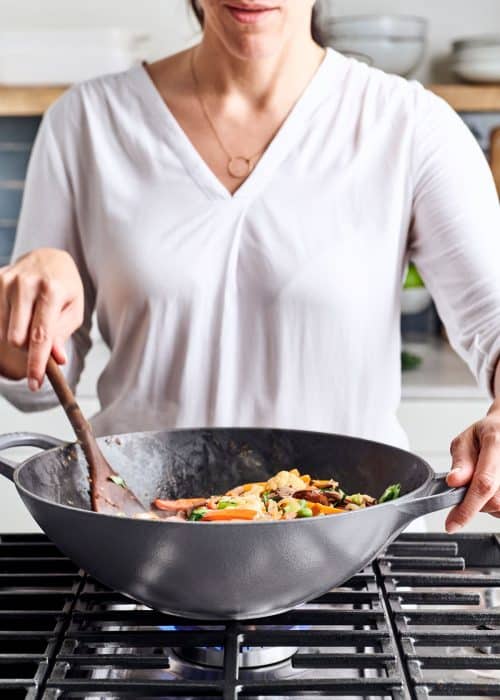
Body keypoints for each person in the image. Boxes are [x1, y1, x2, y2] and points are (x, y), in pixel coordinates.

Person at [0, 1, 499, 533]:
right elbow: (30, 382)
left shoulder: (407, 123)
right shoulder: (87, 122)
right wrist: (22, 311)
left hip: (348, 542)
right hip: (140, 538)